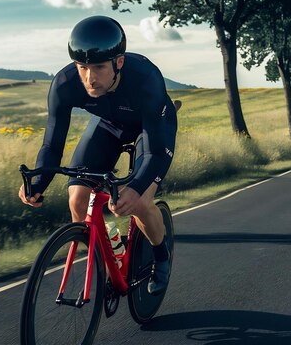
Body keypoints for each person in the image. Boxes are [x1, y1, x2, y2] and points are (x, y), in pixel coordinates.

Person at [18, 15, 178, 295]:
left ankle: (161, 256)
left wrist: (137, 187)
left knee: (136, 202)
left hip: (150, 128)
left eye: (99, 67)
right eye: (82, 67)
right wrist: (38, 184)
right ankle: (113, 255)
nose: (90, 78)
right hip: (108, 126)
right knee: (78, 201)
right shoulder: (65, 83)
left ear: (118, 62)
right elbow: (52, 145)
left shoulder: (146, 77)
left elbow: (154, 152)